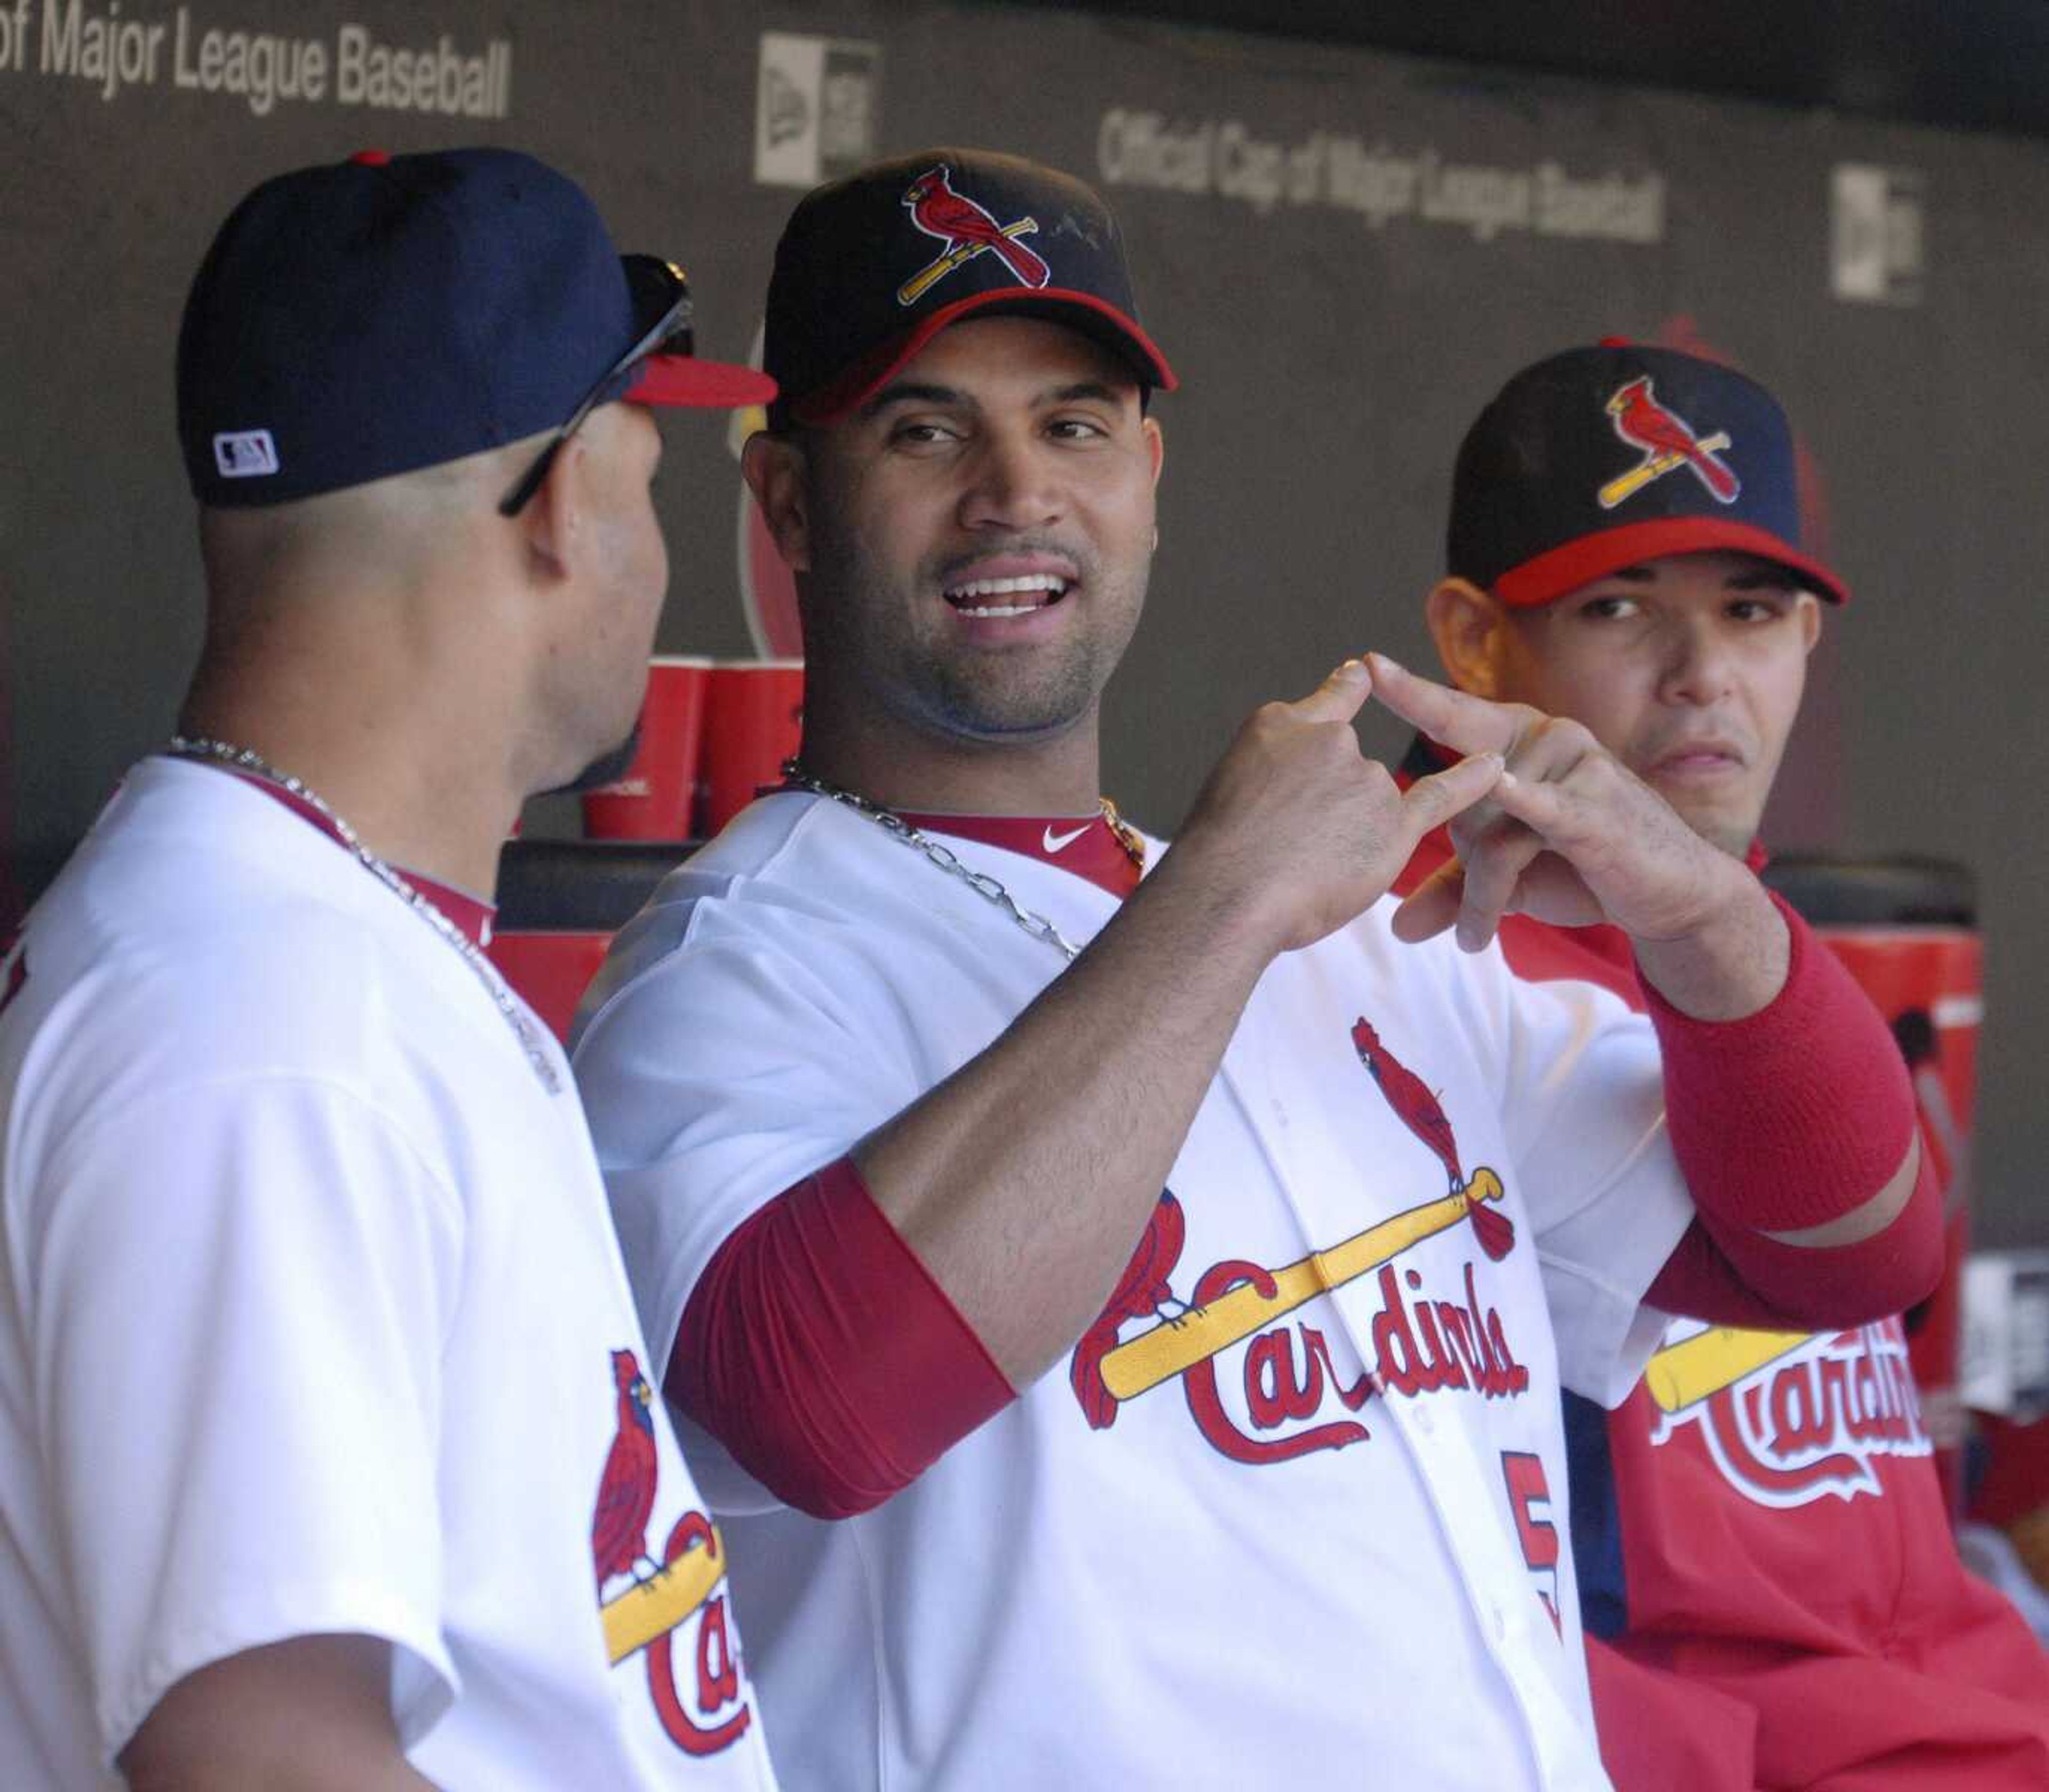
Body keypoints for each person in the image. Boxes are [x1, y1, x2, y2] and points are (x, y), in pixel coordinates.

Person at [572, 150, 1937, 1790]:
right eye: (926, 430)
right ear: (789, 502)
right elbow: (806, 1409)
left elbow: (1842, 1255)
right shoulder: (738, 962)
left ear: (1148, 474)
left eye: (1073, 425)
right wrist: (1220, 905)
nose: (1017, 492)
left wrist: (1710, 921)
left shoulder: (1373, 941)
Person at [0, 148, 783, 1790]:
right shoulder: (263, 1019)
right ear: (570, 500)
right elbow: (267, 1760)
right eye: (646, 470)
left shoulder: (291, 948)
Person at [1400, 338, 2049, 1788]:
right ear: (1472, 639)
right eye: (1620, 607)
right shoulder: (1388, 976)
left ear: (1809, 642)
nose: (1704, 680)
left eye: (1754, 612)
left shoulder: (1783, 990)